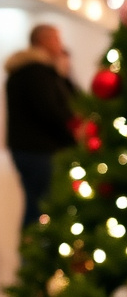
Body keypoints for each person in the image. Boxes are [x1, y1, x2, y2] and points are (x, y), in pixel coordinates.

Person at [4, 24, 78, 228]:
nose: (60, 45)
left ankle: (32, 252)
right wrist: (73, 133)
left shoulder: (27, 70)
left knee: (35, 201)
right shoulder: (37, 72)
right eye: (56, 39)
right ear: (44, 41)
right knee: (40, 205)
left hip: (28, 148)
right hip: (39, 149)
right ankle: (33, 254)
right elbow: (51, 111)